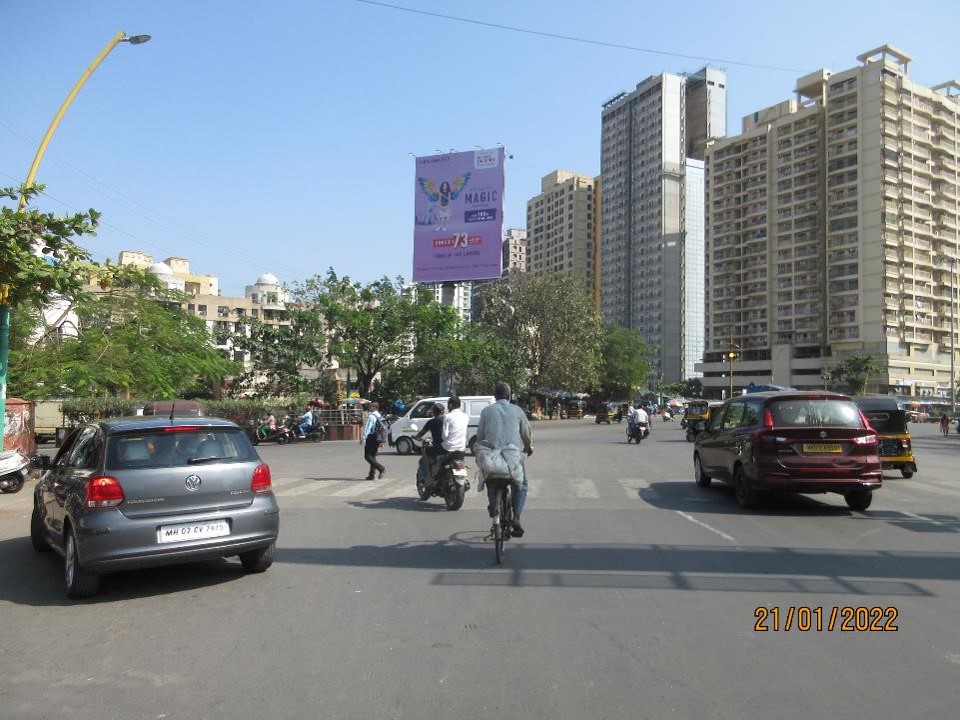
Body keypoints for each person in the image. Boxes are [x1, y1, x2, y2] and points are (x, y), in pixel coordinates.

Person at [476, 382, 533, 537]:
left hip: (492, 458)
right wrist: (528, 447)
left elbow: (480, 436)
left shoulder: (486, 411)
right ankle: (516, 518)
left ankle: (494, 504)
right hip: (513, 459)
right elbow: (526, 435)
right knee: (521, 484)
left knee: (490, 479)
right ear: (509, 396)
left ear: (495, 397)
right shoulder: (517, 410)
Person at [414, 403, 445, 485]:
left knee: (424, 454)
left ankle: (428, 477)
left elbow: (421, 434)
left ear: (434, 412)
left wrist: (416, 437)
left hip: (439, 447)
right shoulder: (448, 420)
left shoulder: (431, 422)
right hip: (452, 447)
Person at [360, 402, 386, 480]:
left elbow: (368, 427)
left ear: (374, 407)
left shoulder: (371, 416)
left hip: (371, 437)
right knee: (373, 456)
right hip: (377, 437)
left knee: (367, 456)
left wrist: (363, 437)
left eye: (370, 406)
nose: (369, 407)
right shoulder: (379, 415)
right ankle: (372, 475)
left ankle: (381, 468)